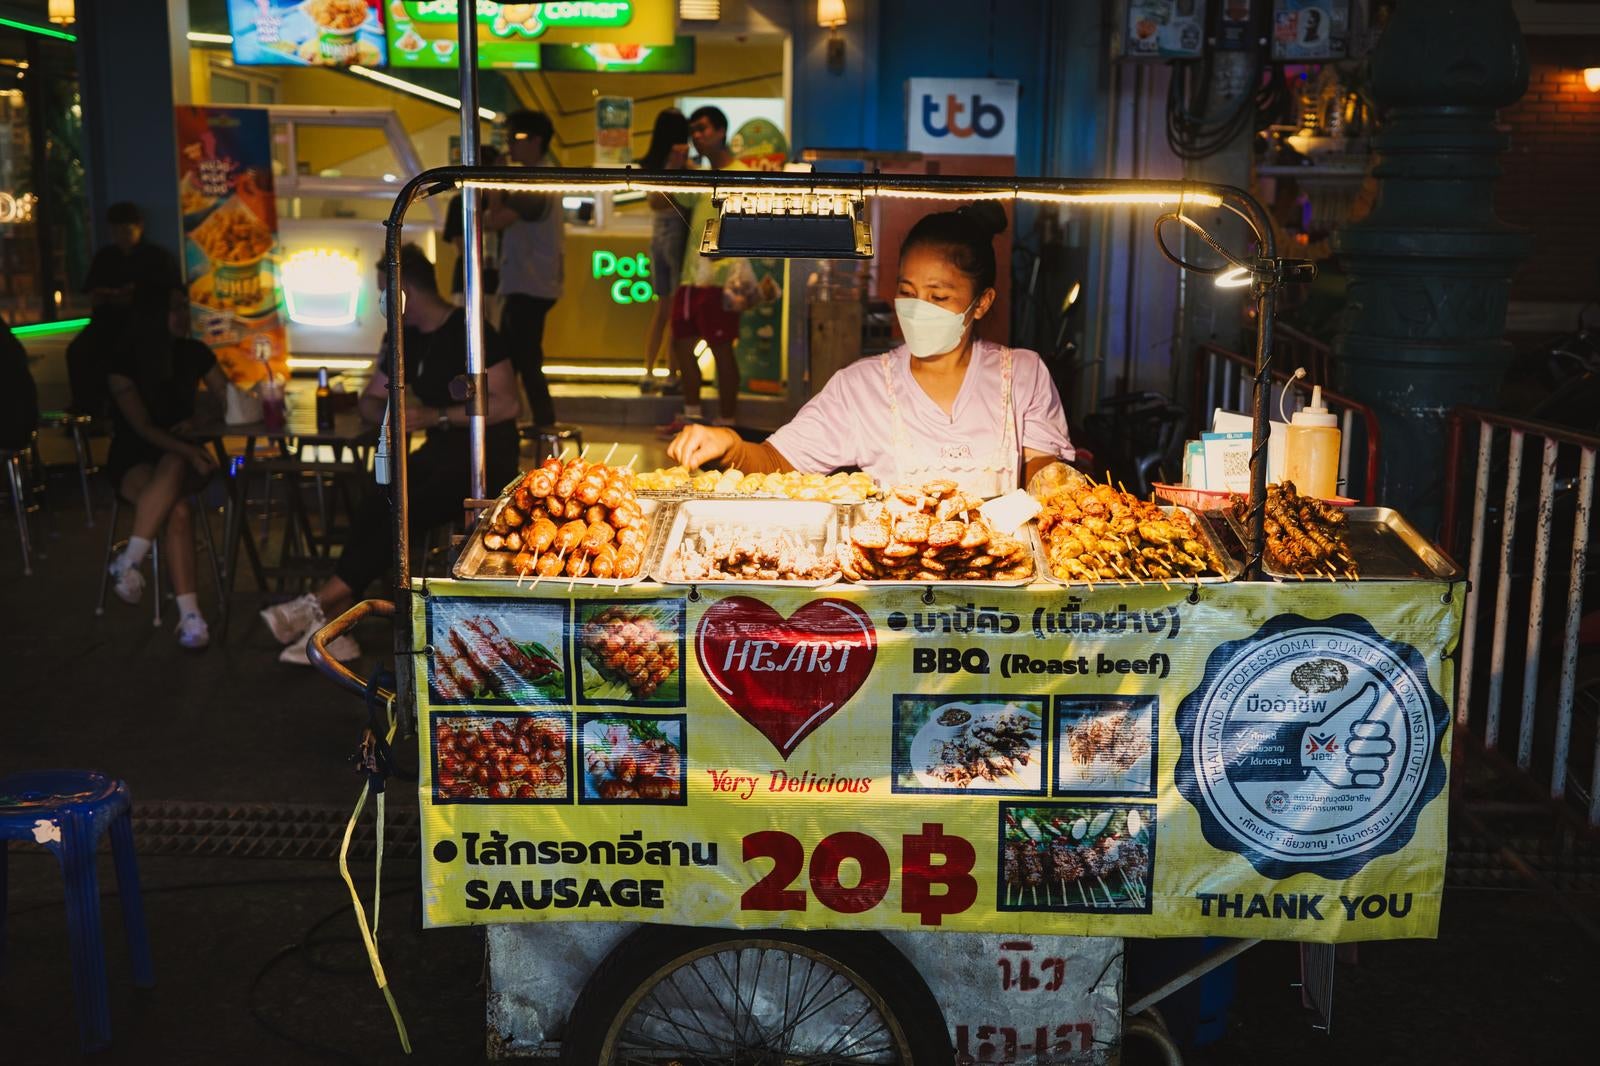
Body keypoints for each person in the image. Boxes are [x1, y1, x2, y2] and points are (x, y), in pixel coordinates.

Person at [668, 202, 1076, 495]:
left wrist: (1058, 485)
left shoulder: (1023, 373)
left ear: (982, 302)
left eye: (938, 297)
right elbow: (777, 463)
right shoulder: (860, 387)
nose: (918, 309)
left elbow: (1042, 469)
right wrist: (730, 446)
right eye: (907, 292)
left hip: (999, 602)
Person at [261, 244, 521, 665]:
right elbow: (373, 396)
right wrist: (376, 405)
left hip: (483, 458)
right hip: (437, 453)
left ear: (407, 292)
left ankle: (320, 607)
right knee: (376, 500)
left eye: (386, 293)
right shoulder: (404, 337)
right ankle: (334, 619)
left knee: (404, 509)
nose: (383, 303)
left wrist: (434, 416)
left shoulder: (470, 330)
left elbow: (508, 404)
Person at [103, 288, 229, 650]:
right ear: (153, 315)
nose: (183, 315)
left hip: (183, 457)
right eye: (175, 308)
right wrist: (187, 450)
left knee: (174, 467)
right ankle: (191, 618)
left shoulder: (194, 352)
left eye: (184, 307)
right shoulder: (123, 363)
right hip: (134, 456)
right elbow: (142, 427)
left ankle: (128, 563)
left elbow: (226, 399)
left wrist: (198, 418)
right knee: (176, 506)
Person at [663, 106, 750, 431]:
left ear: (721, 131)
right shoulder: (699, 176)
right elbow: (664, 201)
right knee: (681, 344)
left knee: (722, 347)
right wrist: (675, 165)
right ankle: (692, 416)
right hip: (691, 278)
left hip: (720, 279)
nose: (697, 136)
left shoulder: (742, 173)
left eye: (703, 129)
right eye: (693, 130)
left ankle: (727, 422)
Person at [484, 110, 563, 426]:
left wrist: (492, 183)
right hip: (530, 282)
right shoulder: (535, 179)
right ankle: (518, 419)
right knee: (519, 357)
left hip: (530, 284)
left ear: (537, 141)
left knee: (523, 359)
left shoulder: (536, 184)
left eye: (515, 138)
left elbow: (496, 220)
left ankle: (534, 422)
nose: (509, 146)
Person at [68, 202, 183, 417]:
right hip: (107, 322)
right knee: (78, 351)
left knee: (130, 350)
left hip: (145, 322)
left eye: (125, 230)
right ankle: (87, 409)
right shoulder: (106, 256)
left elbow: (170, 294)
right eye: (115, 230)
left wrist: (135, 296)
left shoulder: (156, 257)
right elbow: (93, 293)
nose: (121, 235)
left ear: (139, 226)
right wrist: (111, 295)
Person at [637, 109, 692, 395]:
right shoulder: (672, 164)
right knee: (671, 311)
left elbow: (653, 203)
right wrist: (679, 172)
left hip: (659, 238)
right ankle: (668, 375)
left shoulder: (652, 162)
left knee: (664, 310)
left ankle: (651, 373)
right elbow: (657, 202)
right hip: (674, 238)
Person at [442, 143, 502, 300]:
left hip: (495, 281)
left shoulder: (503, 202)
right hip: (468, 279)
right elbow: (461, 245)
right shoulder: (460, 202)